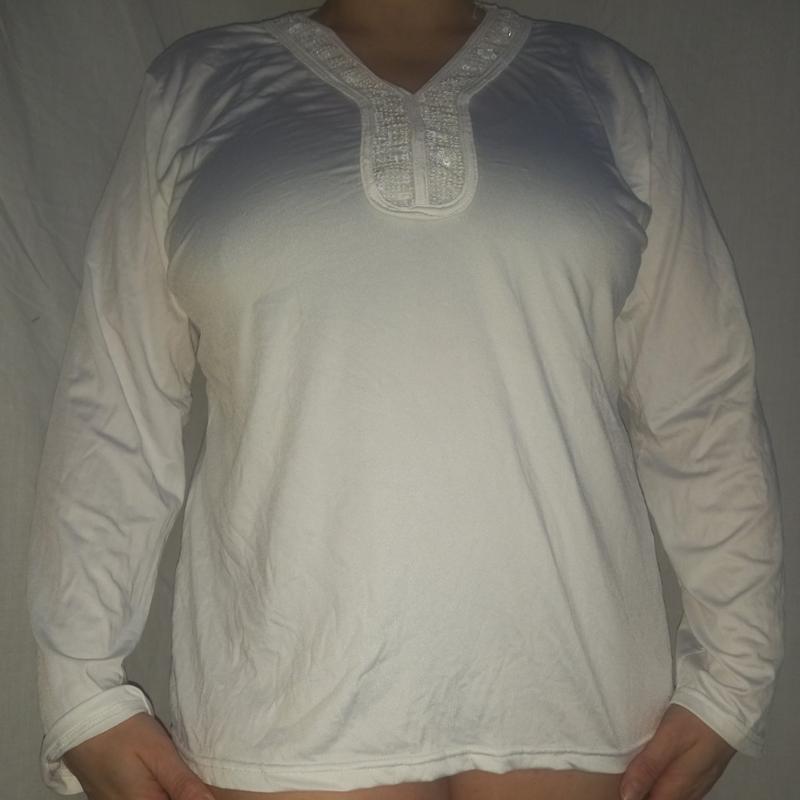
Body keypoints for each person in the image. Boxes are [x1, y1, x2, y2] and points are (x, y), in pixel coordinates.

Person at [26, 1, 785, 799]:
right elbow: (115, 406)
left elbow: (700, 402)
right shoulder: (196, 88)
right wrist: (79, 690)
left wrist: (736, 671)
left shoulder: (608, 87)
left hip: (576, 705)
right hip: (289, 711)